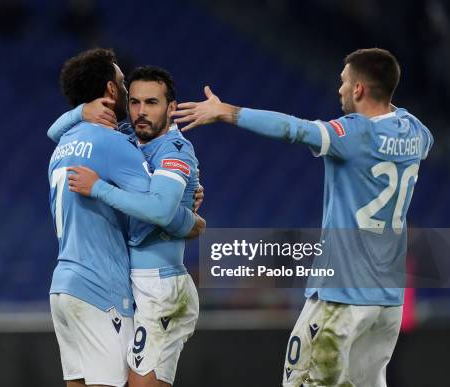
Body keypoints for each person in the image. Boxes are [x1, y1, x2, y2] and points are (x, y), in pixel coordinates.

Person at [171, 48, 434, 386]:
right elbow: (413, 131)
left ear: (358, 89)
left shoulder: (353, 134)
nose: (339, 90)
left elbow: (293, 129)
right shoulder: (415, 132)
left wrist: (226, 112)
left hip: (343, 297)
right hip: (387, 304)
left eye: (344, 82)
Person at [49, 49, 204, 387]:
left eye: (151, 103)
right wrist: (189, 221)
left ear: (172, 108)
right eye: (133, 101)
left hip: (162, 286)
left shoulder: (174, 149)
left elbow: (160, 210)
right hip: (129, 285)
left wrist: (99, 188)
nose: (140, 111)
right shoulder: (125, 140)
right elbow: (160, 208)